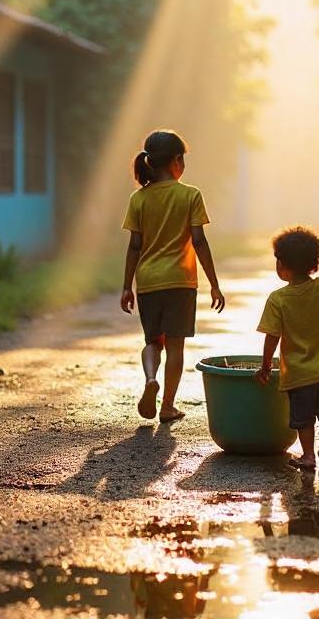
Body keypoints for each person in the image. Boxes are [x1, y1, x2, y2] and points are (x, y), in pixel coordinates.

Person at [121, 129, 225, 424]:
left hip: (149, 281)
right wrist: (214, 285)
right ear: (177, 161)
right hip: (180, 281)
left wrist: (126, 286)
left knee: (153, 341)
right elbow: (199, 242)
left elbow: (134, 246)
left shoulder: (138, 199)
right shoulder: (190, 195)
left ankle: (150, 378)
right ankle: (167, 405)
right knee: (176, 345)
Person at [253, 227, 319, 470]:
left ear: (282, 265)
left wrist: (265, 364)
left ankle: (309, 456)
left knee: (302, 419)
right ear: (315, 264)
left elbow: (273, 336)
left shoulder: (278, 299)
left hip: (298, 375)